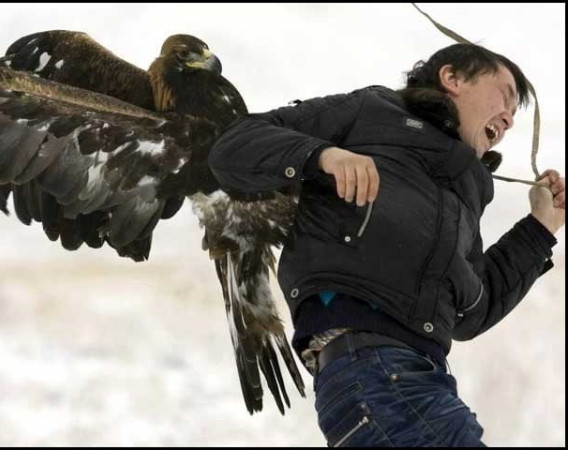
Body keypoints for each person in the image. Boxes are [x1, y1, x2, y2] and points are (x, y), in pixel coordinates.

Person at [207, 44, 565, 447]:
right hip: (374, 368)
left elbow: (472, 311)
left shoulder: (467, 190)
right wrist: (322, 155)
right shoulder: (372, 111)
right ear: (452, 78)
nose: (510, 119)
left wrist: (540, 228)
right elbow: (233, 146)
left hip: (415, 378)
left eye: (515, 112)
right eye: (505, 96)